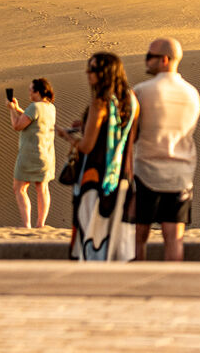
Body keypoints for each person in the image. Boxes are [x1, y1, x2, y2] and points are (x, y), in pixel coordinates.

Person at [62, 52, 139, 262]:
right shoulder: (132, 100)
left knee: (91, 231)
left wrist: (67, 137)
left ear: (107, 72)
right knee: (114, 232)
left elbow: (87, 146)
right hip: (122, 176)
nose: (88, 74)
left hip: (94, 178)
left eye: (93, 69)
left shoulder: (100, 103)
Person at [131, 37, 200, 261]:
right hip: (181, 174)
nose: (146, 60)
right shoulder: (192, 93)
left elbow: (130, 133)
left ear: (165, 59)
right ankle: (175, 286)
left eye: (150, 56)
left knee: (138, 236)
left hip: (145, 172)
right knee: (174, 238)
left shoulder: (141, 91)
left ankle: (135, 284)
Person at [7, 78, 55, 228]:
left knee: (19, 187)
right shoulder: (50, 107)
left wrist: (11, 110)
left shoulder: (34, 107)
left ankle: (27, 224)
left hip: (29, 155)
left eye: (31, 89)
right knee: (42, 187)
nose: (29, 92)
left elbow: (17, 125)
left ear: (38, 92)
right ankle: (40, 224)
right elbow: (34, 119)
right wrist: (18, 108)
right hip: (46, 155)